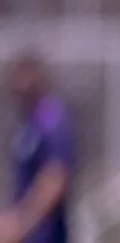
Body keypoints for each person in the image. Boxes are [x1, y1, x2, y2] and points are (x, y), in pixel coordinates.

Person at [0, 52, 74, 243]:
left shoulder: (50, 118)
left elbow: (55, 178)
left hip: (47, 236)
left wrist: (21, 222)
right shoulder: (27, 122)